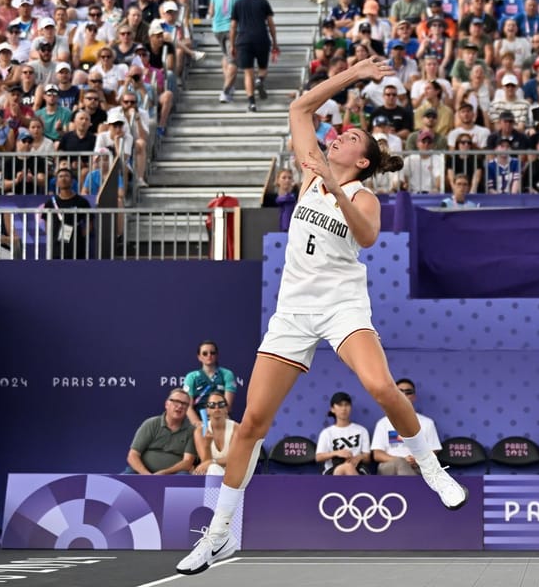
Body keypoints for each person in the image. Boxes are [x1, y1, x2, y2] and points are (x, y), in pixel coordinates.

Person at [175, 57, 466, 577]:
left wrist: (332, 187)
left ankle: (430, 467)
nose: (338, 134)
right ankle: (218, 535)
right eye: (341, 130)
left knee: (380, 387)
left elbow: (367, 235)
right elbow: (300, 105)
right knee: (251, 426)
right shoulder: (313, 163)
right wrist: (353, 75)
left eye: (351, 135)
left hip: (342, 306)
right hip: (293, 311)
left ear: (361, 159)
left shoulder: (361, 194)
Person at [369, 378, 444, 476]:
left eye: (408, 392)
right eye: (400, 391)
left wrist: (418, 460)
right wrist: (402, 460)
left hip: (418, 466)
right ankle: (413, 490)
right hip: (389, 466)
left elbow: (434, 451)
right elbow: (377, 454)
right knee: (400, 463)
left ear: (414, 397)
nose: (404, 395)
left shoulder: (427, 422)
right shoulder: (383, 423)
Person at [231, 0, 278, 113]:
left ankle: (251, 102)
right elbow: (270, 23)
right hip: (261, 38)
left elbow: (233, 26)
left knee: (248, 72)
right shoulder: (263, 2)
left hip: (244, 40)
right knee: (263, 67)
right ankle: (260, 80)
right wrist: (275, 42)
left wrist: (232, 45)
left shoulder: (238, 4)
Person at [127, 389, 197, 475]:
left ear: (187, 409)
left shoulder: (191, 430)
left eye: (184, 404)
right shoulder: (151, 423)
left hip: (173, 474)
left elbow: (187, 462)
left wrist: (164, 473)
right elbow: (133, 455)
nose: (180, 406)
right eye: (176, 402)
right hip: (143, 472)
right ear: (166, 404)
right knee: (125, 478)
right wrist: (146, 475)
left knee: (183, 476)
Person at [182, 340, 238, 429]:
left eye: (212, 353)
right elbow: (188, 407)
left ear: (217, 355)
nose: (209, 356)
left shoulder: (227, 374)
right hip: (197, 421)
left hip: (221, 419)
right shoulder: (191, 376)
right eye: (205, 353)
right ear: (199, 357)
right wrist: (198, 424)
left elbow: (227, 406)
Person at [317, 391, 371, 476]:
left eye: (347, 405)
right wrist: (336, 453)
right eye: (340, 405)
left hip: (357, 467)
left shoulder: (361, 430)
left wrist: (358, 457)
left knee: (348, 467)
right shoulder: (327, 433)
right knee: (345, 468)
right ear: (332, 409)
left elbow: (367, 457)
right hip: (333, 469)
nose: (344, 408)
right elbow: (318, 457)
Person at [43, 167, 91, 259]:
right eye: (60, 176)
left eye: (66, 176)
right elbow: (46, 225)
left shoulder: (82, 202)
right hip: (56, 249)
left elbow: (90, 223)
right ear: (56, 182)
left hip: (77, 250)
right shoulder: (50, 203)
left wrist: (79, 236)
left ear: (72, 181)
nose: (63, 178)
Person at [192, 392, 238, 477]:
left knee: (213, 468)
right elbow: (205, 463)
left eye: (221, 404)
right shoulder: (200, 431)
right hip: (212, 474)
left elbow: (234, 460)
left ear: (226, 409)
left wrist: (213, 461)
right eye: (212, 405)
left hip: (233, 473)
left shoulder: (236, 429)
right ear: (207, 410)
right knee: (212, 469)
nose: (217, 408)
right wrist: (207, 445)